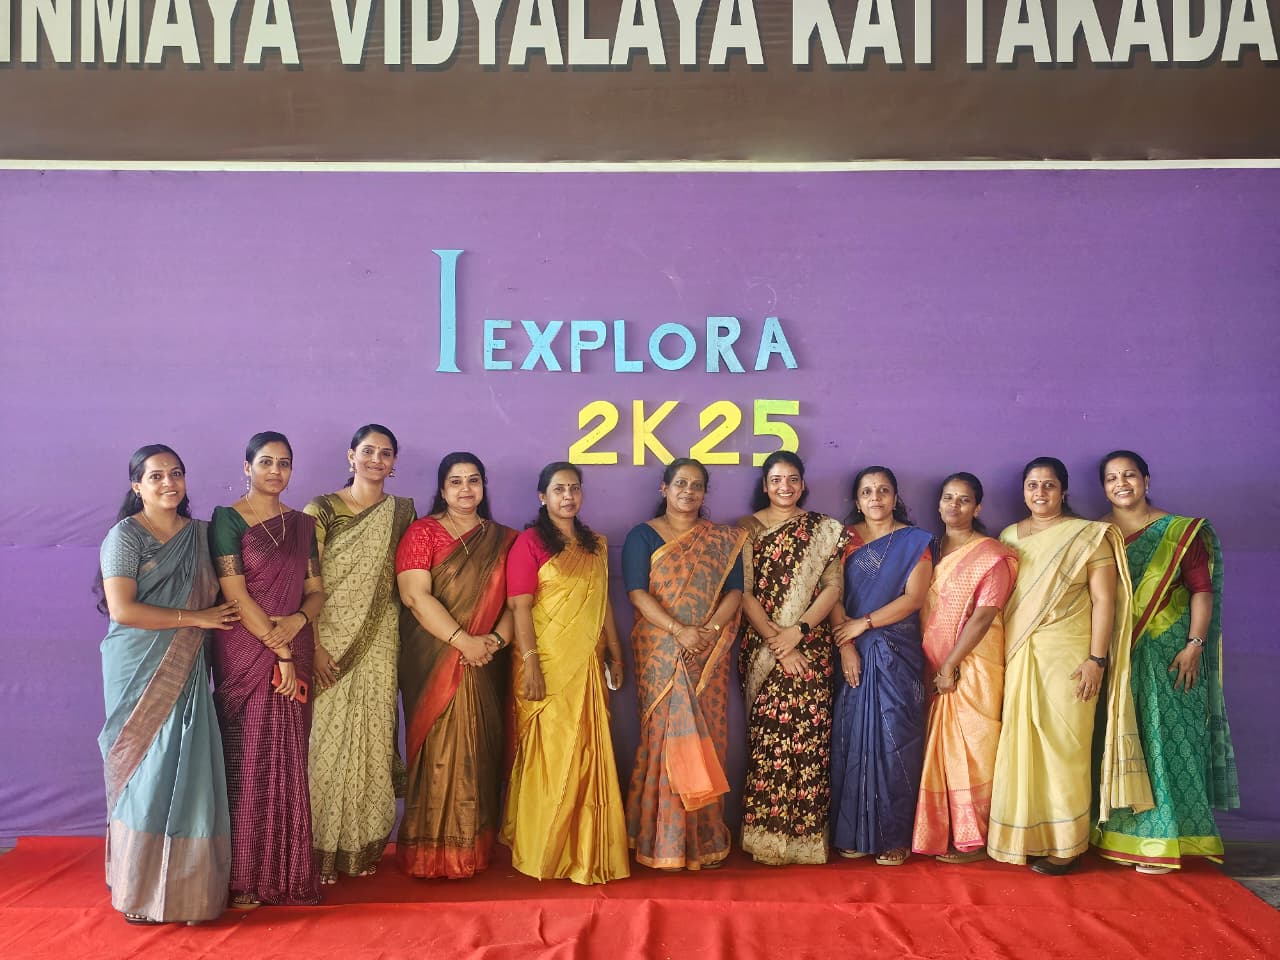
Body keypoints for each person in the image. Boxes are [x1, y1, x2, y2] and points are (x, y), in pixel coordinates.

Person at [96, 445, 240, 924]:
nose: (168, 483)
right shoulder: (125, 536)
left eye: (175, 473)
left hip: (188, 663)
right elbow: (123, 610)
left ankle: (189, 893)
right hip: (136, 664)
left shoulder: (202, 535)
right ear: (136, 485)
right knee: (146, 772)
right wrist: (197, 618)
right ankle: (138, 889)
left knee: (189, 766)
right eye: (155, 476)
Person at [989, 457, 1151, 876]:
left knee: (1065, 749)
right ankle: (1023, 838)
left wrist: (1097, 659)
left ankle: (1067, 846)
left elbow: (1105, 600)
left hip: (1071, 659)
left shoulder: (1087, 536)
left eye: (1049, 485)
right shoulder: (1009, 536)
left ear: (1063, 491)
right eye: (1032, 485)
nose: (1040, 493)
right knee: (1020, 747)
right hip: (1020, 654)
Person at [1092, 450, 1239, 873]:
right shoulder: (1095, 533)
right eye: (1112, 478)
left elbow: (1201, 590)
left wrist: (1195, 645)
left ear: (1146, 480)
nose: (1121, 483)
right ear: (1103, 487)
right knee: (1119, 739)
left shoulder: (1178, 532)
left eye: (1129, 475)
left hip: (1170, 653)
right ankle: (1119, 836)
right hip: (1116, 654)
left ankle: (1169, 837)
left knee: (1168, 741)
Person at [211, 431, 326, 907]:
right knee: (248, 754)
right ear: (247, 467)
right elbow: (235, 594)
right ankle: (241, 876)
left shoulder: (302, 525)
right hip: (247, 647)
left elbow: (316, 591)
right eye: (265, 462)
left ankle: (284, 869)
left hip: (293, 640)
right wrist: (280, 652)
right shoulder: (227, 520)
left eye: (284, 463)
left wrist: (298, 622)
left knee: (288, 754)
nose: (275, 471)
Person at [501, 462, 629, 884]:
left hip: (588, 662)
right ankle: (543, 849)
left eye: (574, 488)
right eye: (558, 489)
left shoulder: (597, 545)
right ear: (543, 497)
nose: (568, 496)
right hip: (548, 664)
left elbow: (603, 605)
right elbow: (519, 607)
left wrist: (615, 653)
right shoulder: (529, 543)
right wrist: (530, 663)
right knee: (552, 755)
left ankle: (586, 850)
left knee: (589, 752)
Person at [395, 452, 516, 878]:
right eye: (456, 481)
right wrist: (463, 641)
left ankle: (471, 851)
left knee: (478, 751)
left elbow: (517, 604)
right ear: (442, 489)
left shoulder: (505, 539)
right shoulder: (423, 532)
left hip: (487, 660)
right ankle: (430, 853)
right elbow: (414, 596)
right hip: (433, 659)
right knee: (438, 751)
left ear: (483, 486)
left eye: (473, 480)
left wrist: (493, 642)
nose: (466, 489)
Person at [305, 425, 416, 884]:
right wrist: (313, 645)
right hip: (328, 639)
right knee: (325, 746)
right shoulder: (321, 509)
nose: (376, 460)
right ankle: (318, 850)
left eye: (385, 453)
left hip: (381, 639)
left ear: (394, 462)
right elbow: (307, 581)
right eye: (367, 451)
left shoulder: (402, 512)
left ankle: (362, 846)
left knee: (373, 737)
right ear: (351, 456)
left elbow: (407, 578)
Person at [622, 459, 746, 871]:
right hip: (660, 649)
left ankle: (702, 838)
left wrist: (709, 630)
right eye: (680, 484)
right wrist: (679, 630)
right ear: (664, 488)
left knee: (705, 738)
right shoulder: (642, 535)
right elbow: (637, 593)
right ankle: (659, 839)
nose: (688, 492)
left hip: (707, 650)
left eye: (696, 486)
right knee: (662, 738)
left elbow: (735, 592)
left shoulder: (723, 540)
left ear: (705, 493)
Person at [738, 451, 849, 866]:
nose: (784, 487)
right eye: (776, 480)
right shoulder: (746, 529)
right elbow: (744, 592)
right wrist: (776, 642)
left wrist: (797, 633)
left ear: (802, 484)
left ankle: (805, 842)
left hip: (811, 649)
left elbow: (833, 589)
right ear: (765, 485)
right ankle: (764, 840)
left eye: (792, 479)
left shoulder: (824, 529)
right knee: (768, 742)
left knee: (809, 742)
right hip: (763, 650)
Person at [910, 473, 1017, 864]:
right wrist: (940, 666)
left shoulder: (991, 554)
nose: (954, 506)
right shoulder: (929, 549)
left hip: (974, 663)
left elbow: (985, 615)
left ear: (978, 507)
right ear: (938, 503)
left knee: (972, 747)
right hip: (934, 663)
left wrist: (951, 664)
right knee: (940, 749)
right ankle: (946, 832)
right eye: (948, 498)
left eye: (964, 500)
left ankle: (977, 838)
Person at [829, 466, 934, 866]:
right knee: (853, 739)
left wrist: (866, 623)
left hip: (897, 653)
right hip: (853, 651)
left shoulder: (915, 541)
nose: (876, 498)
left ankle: (894, 836)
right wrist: (846, 646)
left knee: (895, 741)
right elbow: (834, 594)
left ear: (895, 497)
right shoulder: (844, 540)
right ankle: (853, 833)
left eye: (883, 490)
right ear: (857, 501)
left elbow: (914, 598)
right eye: (867, 492)